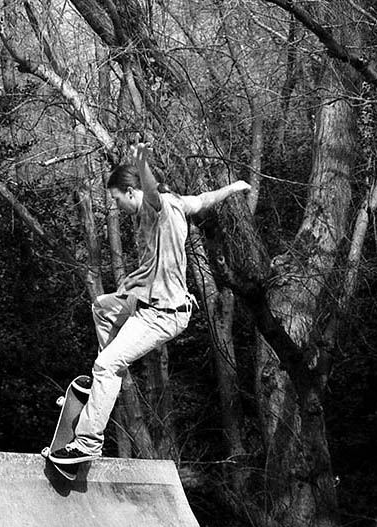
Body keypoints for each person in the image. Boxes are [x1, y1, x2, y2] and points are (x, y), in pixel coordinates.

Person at [50, 143, 251, 464]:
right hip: (146, 303)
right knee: (102, 308)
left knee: (106, 365)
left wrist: (142, 164)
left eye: (117, 199)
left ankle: (88, 441)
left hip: (163, 314)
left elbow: (152, 194)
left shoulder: (154, 207)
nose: (117, 206)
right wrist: (233, 187)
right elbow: (202, 201)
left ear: (131, 192)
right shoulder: (177, 203)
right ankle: (105, 383)